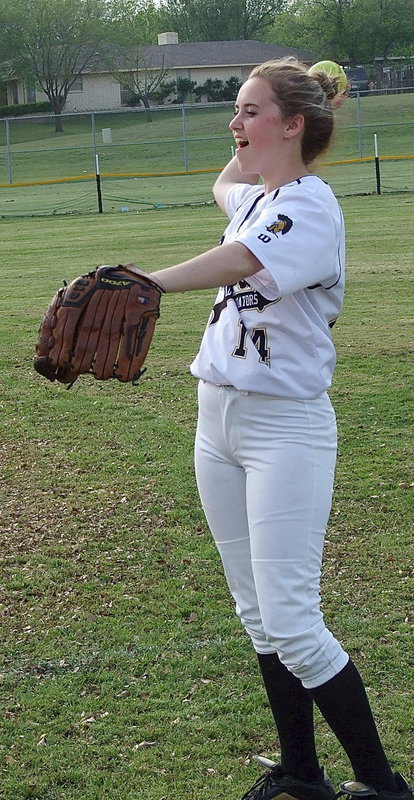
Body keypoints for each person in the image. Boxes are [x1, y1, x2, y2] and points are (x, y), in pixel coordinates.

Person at [146, 58, 413, 800]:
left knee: (293, 620)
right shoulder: (256, 200)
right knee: (257, 616)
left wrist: (151, 280)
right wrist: (243, 160)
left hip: (282, 429)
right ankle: (302, 772)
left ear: (293, 126)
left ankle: (385, 786)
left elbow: (245, 257)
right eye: (236, 110)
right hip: (217, 419)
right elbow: (226, 192)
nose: (235, 124)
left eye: (250, 112)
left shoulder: (312, 204)